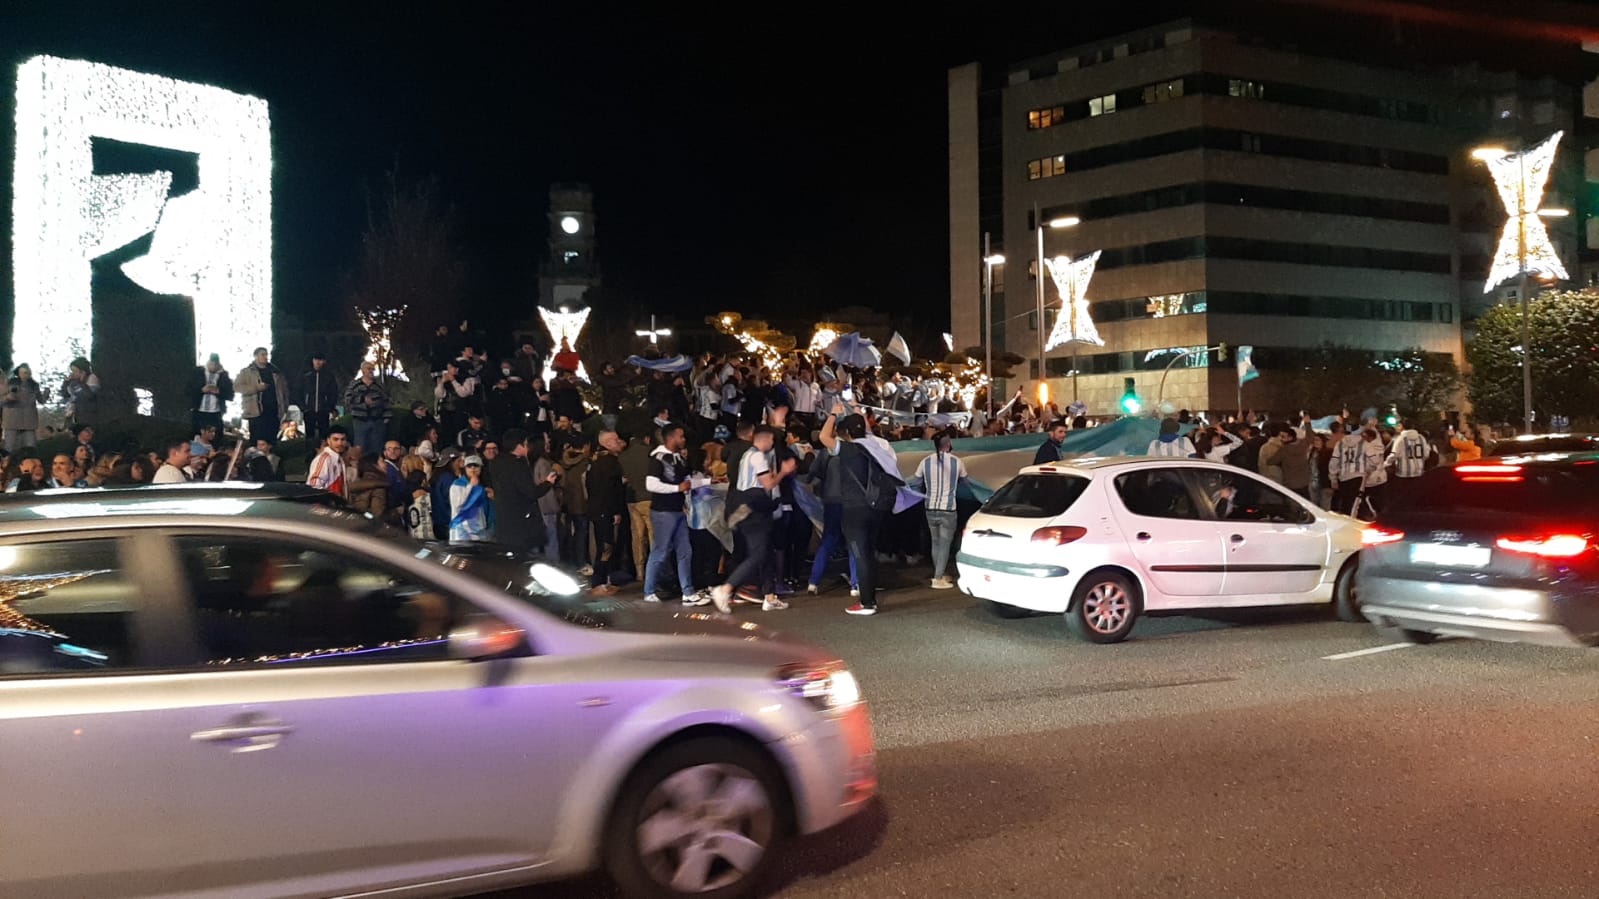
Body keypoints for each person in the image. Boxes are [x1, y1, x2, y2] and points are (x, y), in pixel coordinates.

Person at [820, 403, 898, 617]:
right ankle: (869, 597)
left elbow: (823, 437)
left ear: (846, 433)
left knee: (860, 555)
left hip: (854, 509)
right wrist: (858, 411)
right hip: (875, 507)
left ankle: (867, 603)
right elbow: (867, 431)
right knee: (868, 554)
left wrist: (834, 413)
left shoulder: (848, 449)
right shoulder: (877, 446)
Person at [713, 426, 794, 613]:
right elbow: (768, 484)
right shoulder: (757, 456)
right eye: (771, 440)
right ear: (764, 439)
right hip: (755, 510)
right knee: (758, 553)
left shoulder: (747, 456)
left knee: (765, 552)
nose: (773, 444)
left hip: (748, 508)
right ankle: (726, 588)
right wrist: (784, 472)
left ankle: (769, 596)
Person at [644, 423, 708, 605]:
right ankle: (649, 591)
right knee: (661, 550)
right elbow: (651, 484)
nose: (684, 439)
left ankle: (687, 592)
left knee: (685, 551)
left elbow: (686, 483)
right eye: (681, 436)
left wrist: (708, 481)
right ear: (671, 438)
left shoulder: (678, 458)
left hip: (678, 511)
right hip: (663, 511)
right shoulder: (658, 458)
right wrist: (676, 488)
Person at [909, 431, 968, 589]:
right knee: (945, 544)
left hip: (930, 507)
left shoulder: (925, 462)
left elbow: (915, 481)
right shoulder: (957, 462)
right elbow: (966, 482)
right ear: (948, 444)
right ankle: (937, 578)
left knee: (935, 542)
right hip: (948, 509)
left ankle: (939, 573)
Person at [487, 429, 560, 556]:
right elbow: (530, 492)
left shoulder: (496, 463)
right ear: (519, 445)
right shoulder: (517, 465)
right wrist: (548, 483)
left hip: (504, 519)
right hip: (521, 521)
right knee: (527, 556)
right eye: (525, 443)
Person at [586, 431, 628, 596]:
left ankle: (604, 580)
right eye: (616, 440)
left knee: (606, 544)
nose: (620, 442)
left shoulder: (597, 462)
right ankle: (599, 582)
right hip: (605, 510)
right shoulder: (609, 463)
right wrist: (615, 511)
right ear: (608, 443)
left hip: (598, 509)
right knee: (605, 546)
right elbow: (610, 490)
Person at [619, 433, 656, 584]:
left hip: (631, 499)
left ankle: (639, 572)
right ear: (646, 438)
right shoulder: (650, 453)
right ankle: (655, 571)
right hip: (649, 497)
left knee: (638, 536)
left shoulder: (622, 456)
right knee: (654, 536)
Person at [237, 347, 290, 444]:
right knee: (256, 437)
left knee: (271, 437)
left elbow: (284, 390)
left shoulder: (275, 371)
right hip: (255, 411)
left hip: (273, 410)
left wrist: (285, 406)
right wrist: (255, 388)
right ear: (256, 356)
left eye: (266, 354)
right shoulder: (247, 372)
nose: (265, 357)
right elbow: (237, 387)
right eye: (263, 354)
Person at [298, 352, 342, 454]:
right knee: (310, 435)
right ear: (312, 361)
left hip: (323, 411)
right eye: (316, 359)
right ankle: (310, 456)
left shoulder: (328, 376)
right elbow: (297, 392)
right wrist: (303, 407)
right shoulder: (305, 375)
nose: (318, 362)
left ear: (324, 362)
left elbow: (333, 393)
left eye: (320, 360)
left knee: (324, 434)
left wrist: (329, 407)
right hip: (309, 411)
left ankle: (325, 454)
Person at [448, 455, 491, 542]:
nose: (473, 468)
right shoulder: (457, 484)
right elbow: (458, 504)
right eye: (469, 466)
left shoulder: (483, 485)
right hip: (461, 528)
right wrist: (470, 486)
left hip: (480, 529)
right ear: (465, 468)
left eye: (476, 465)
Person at [190, 353, 235, 435]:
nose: (213, 367)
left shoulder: (224, 375)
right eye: (211, 364)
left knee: (215, 436)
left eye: (215, 365)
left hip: (215, 412)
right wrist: (201, 390)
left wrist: (219, 392)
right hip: (199, 410)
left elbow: (231, 395)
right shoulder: (198, 373)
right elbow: (188, 390)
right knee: (197, 435)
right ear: (208, 363)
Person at [2, 364, 42, 453]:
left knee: (30, 445)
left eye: (27, 372)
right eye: (23, 372)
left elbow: (41, 400)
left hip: (29, 420)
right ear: (18, 373)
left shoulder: (34, 385)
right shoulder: (9, 383)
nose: (25, 374)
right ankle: (6, 462)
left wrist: (46, 394)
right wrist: (8, 397)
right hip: (12, 419)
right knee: (9, 445)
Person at [306, 425, 350, 498]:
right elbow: (313, 485)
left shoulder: (339, 459)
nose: (339, 443)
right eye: (335, 439)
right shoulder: (324, 458)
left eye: (343, 439)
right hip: (324, 506)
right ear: (328, 441)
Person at [60, 358, 101, 429]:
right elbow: (66, 395)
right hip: (75, 414)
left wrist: (81, 382)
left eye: (75, 371)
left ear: (82, 371)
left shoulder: (91, 378)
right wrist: (66, 383)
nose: (73, 373)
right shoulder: (74, 382)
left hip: (89, 414)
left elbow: (89, 395)